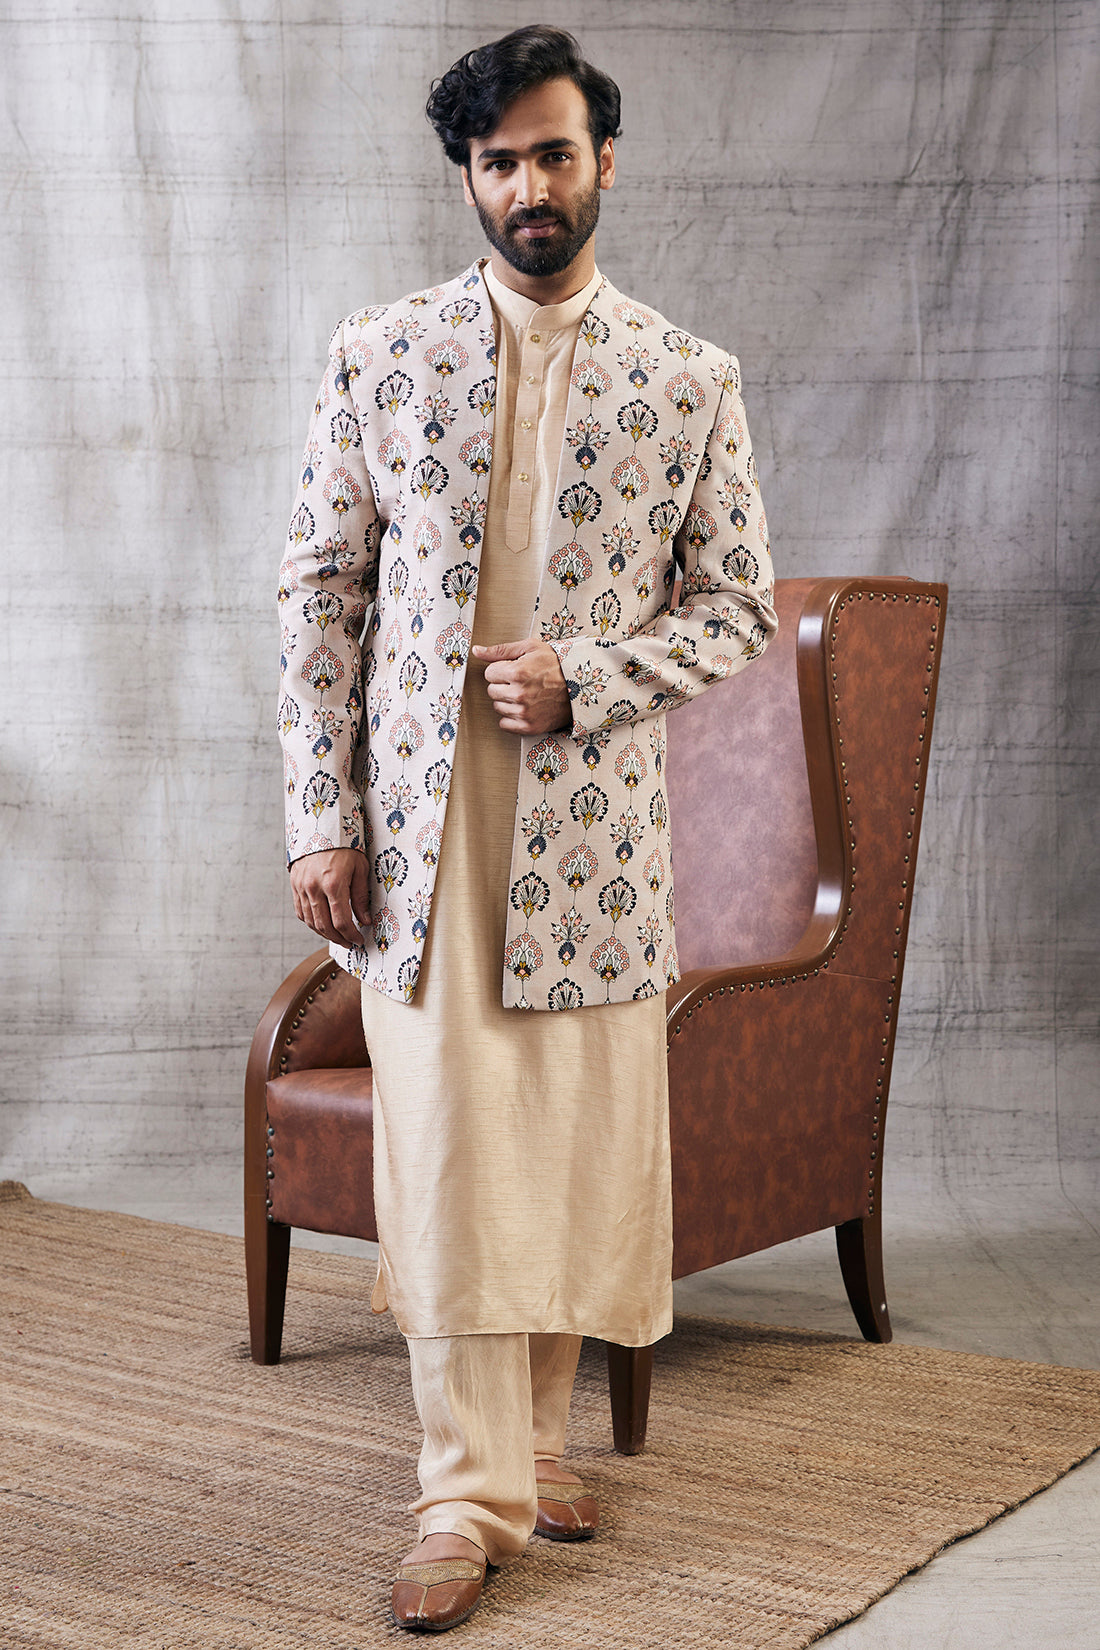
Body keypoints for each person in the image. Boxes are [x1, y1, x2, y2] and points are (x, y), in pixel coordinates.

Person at [278, 24, 777, 1632]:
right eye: (500, 161)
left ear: (604, 160)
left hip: (594, 846)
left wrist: (589, 678)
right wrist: (320, 814)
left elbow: (739, 608)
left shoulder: (688, 378)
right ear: (468, 178)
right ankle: (464, 1491)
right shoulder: (382, 352)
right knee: (450, 1154)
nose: (529, 185)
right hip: (418, 844)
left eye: (555, 152)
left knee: (559, 1148)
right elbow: (319, 593)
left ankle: (531, 1443)